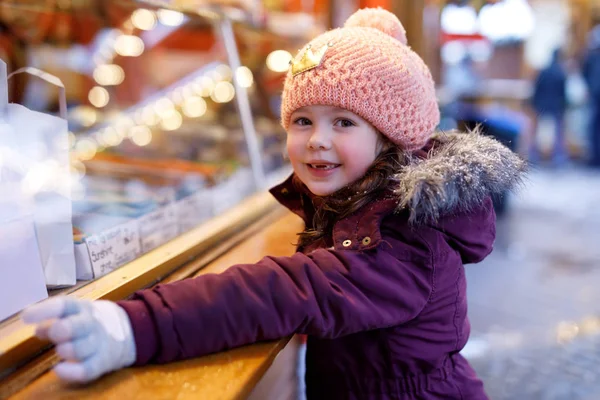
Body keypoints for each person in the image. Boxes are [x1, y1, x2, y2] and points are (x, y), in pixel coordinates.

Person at [22, 8, 526, 399]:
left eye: (344, 122)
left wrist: (134, 325)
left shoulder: (400, 242)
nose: (316, 141)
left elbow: (283, 291)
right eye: (302, 120)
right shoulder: (360, 204)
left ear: (392, 139)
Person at [529, 48, 569, 165]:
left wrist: (533, 103)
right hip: (556, 106)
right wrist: (564, 106)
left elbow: (536, 88)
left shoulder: (543, 71)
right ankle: (559, 156)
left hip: (541, 104)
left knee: (535, 131)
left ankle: (533, 155)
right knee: (558, 132)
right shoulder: (561, 73)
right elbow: (563, 93)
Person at [583, 24, 600, 167]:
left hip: (595, 94)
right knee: (594, 127)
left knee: (594, 127)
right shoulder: (592, 58)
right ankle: (595, 157)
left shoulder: (592, 57)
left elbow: (585, 72)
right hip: (596, 95)